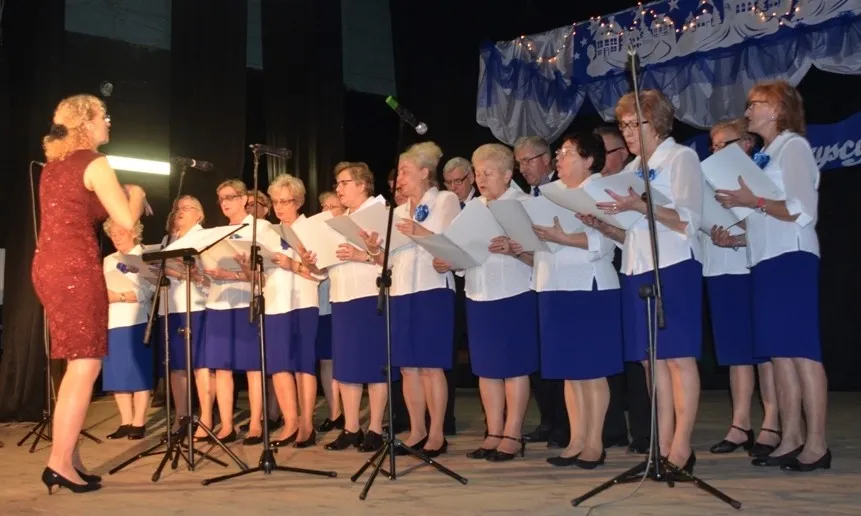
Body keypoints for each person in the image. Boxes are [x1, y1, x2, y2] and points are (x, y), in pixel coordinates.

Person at [32, 94, 149, 493]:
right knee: (85, 365)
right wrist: (136, 194)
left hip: (48, 265)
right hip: (75, 268)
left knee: (76, 365)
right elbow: (125, 221)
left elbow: (84, 212)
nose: (109, 122)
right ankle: (59, 463)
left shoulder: (54, 167)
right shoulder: (95, 162)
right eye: (104, 116)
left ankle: (70, 459)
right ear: (86, 123)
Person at [585, 89, 704, 477]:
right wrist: (605, 224)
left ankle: (682, 446)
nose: (627, 131)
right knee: (651, 361)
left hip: (674, 263)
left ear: (658, 122)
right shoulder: (633, 169)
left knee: (678, 357)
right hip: (637, 267)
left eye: (634, 123)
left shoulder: (680, 157)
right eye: (623, 125)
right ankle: (661, 445)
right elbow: (632, 231)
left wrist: (639, 204)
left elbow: (688, 219)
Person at [714, 80, 829, 471]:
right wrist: (735, 237)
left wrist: (755, 200)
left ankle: (817, 443)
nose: (747, 111)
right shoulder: (764, 156)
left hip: (791, 258)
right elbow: (764, 219)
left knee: (802, 353)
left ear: (778, 109)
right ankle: (791, 437)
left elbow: (802, 209)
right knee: (780, 355)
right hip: (764, 259)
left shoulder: (793, 147)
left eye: (755, 104)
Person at [438, 143, 538, 462]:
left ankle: (513, 433)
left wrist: (515, 249)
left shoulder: (524, 204)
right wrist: (450, 260)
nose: (481, 179)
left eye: (488, 173)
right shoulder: (474, 208)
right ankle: (493, 432)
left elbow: (540, 258)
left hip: (513, 293)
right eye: (478, 173)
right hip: (478, 293)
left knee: (514, 367)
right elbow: (464, 252)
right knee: (486, 369)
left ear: (508, 175)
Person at [533, 132, 623, 469]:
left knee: (592, 370)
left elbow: (605, 243)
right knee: (570, 371)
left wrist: (563, 237)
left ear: (589, 160)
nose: (559, 157)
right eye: (559, 152)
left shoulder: (600, 190)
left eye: (568, 152)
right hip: (553, 285)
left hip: (589, 286)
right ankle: (576, 440)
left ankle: (595, 443)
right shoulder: (550, 192)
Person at [365, 142, 458, 456]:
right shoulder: (396, 211)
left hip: (433, 289)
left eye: (405, 171)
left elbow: (451, 246)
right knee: (407, 368)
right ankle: (417, 430)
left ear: (424, 172)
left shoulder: (444, 200)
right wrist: (373, 249)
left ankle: (437, 434)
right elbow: (387, 260)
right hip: (401, 291)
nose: (399, 178)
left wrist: (419, 231)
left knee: (431, 366)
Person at [704, 119, 780, 457]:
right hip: (719, 268)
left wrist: (738, 239)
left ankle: (772, 423)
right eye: (713, 145)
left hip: (752, 268)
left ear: (747, 143)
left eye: (724, 144)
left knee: (763, 352)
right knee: (735, 353)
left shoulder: (761, 175)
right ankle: (740, 424)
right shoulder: (707, 176)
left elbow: (776, 224)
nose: (716, 150)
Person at [308, 162, 394, 452]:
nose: (339, 188)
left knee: (374, 364)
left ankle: (375, 428)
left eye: (344, 183)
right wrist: (313, 264)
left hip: (370, 295)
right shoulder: (337, 220)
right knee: (346, 365)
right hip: (342, 297)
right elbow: (325, 267)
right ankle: (351, 428)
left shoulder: (380, 213)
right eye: (337, 183)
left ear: (363, 184)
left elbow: (392, 260)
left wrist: (363, 254)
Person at [200, 179, 270, 445]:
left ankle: (255, 423)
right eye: (221, 198)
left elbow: (264, 276)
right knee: (221, 368)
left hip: (245, 302)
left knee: (253, 367)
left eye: (230, 197)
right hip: (218, 303)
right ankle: (227, 425)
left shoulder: (259, 229)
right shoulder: (215, 233)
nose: (225, 203)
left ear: (244, 199)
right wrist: (204, 273)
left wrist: (233, 274)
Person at [514, 136, 567, 447]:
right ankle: (548, 420)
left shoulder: (561, 191)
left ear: (547, 158)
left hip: (563, 281)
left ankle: (564, 424)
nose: (523, 168)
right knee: (539, 357)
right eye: (519, 162)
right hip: (536, 281)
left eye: (528, 160)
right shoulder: (526, 198)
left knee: (559, 356)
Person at [264, 174, 320, 448]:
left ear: (298, 201)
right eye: (275, 202)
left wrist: (293, 265)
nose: (279, 207)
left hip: (303, 303)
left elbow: (320, 273)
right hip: (275, 303)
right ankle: (290, 422)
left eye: (284, 201)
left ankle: (307, 424)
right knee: (279, 366)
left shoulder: (311, 228)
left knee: (302, 365)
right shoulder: (268, 232)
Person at [158, 195, 212, 438]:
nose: (180, 211)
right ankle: (181, 417)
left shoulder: (205, 237)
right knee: (176, 365)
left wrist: (185, 271)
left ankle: (206, 418)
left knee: (200, 365)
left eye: (188, 208)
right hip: (169, 307)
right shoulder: (167, 240)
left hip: (195, 305)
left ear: (199, 215)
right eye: (178, 208)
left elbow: (209, 275)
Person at [102, 219, 155, 441]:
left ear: (133, 232)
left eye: (120, 232)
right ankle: (125, 421)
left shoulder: (146, 255)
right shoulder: (109, 260)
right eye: (112, 233)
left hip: (137, 319)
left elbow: (151, 289)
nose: (115, 237)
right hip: (112, 320)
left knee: (138, 372)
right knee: (117, 373)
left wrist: (121, 296)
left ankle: (139, 421)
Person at [315, 191, 345, 433]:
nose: (326, 210)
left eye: (332, 206)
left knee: (345, 359)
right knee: (326, 360)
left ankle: (350, 414)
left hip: (345, 302)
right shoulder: (316, 236)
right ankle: (335, 413)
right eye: (323, 206)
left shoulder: (348, 232)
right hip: (323, 304)